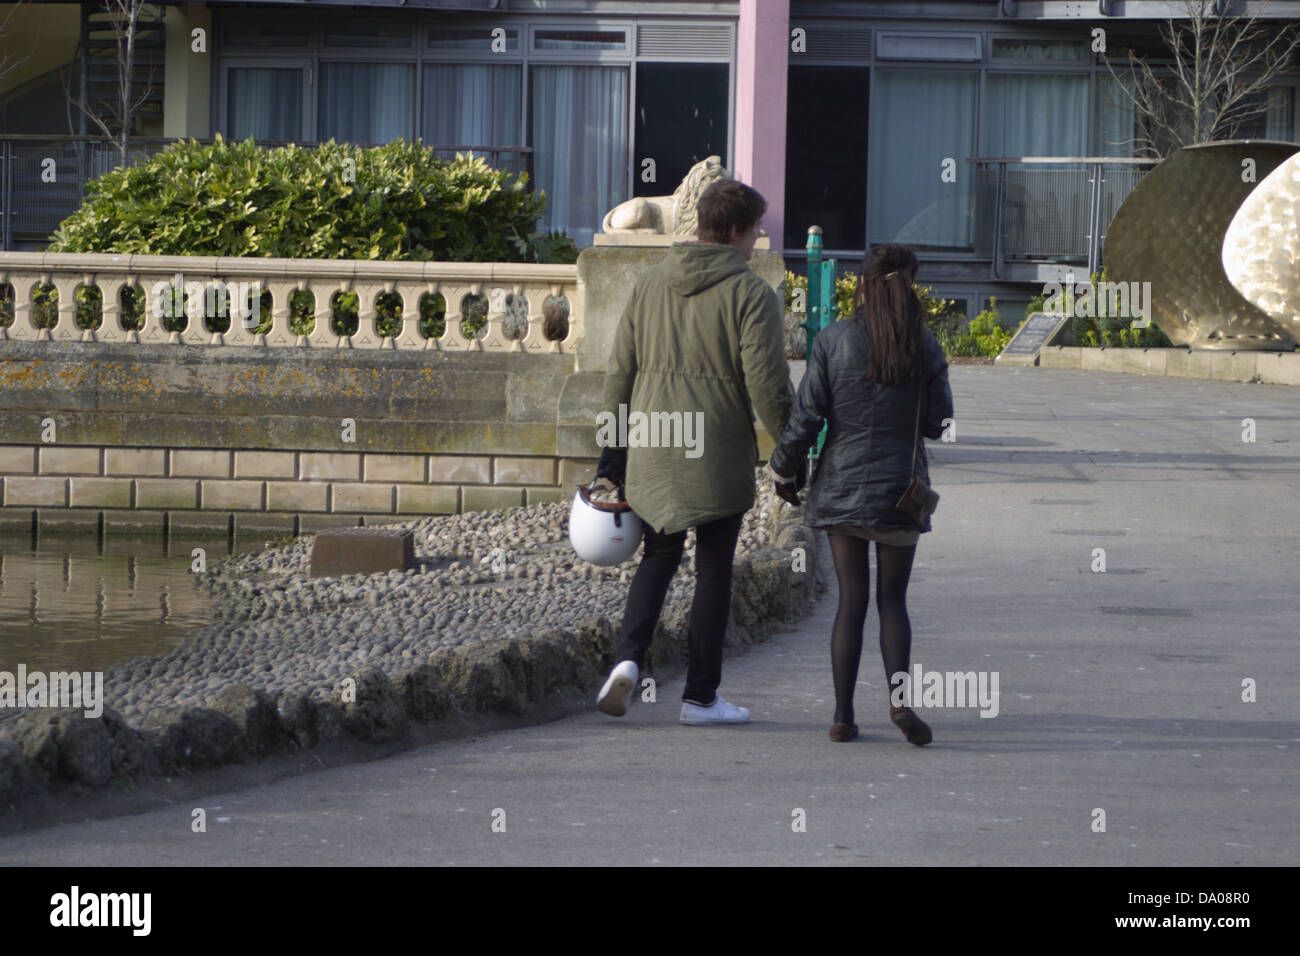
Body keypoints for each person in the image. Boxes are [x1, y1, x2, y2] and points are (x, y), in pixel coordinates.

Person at [593, 178, 795, 726]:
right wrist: (793, 452)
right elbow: (768, 387)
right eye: (755, 229)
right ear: (733, 231)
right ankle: (700, 698)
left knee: (657, 560)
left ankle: (628, 662)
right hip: (717, 449)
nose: (759, 239)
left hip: (654, 447)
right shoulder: (751, 294)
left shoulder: (649, 284)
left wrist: (611, 455)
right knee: (713, 574)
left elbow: (619, 376)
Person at [768, 243, 953, 746]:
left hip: (843, 490)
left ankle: (843, 717)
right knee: (893, 602)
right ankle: (898, 700)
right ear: (909, 284)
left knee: (851, 601)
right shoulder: (925, 343)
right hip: (901, 493)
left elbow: (807, 417)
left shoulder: (833, 340)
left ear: (864, 285)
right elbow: (940, 423)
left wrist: (784, 470)